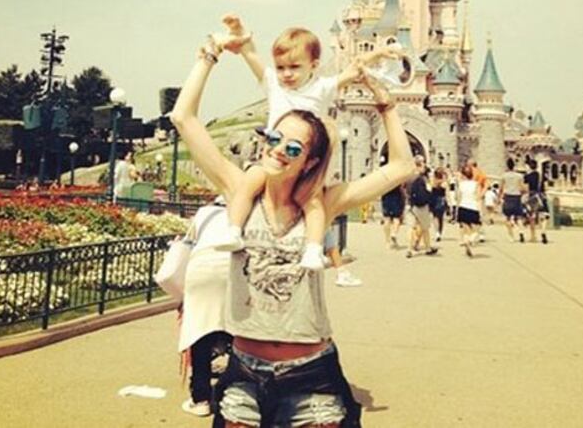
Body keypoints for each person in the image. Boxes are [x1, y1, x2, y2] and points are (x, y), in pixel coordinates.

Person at [170, 34, 417, 427]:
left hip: (311, 377)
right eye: (273, 138)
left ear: (310, 161)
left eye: (292, 147)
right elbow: (183, 118)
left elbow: (403, 167)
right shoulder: (241, 192)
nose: (276, 149)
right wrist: (211, 52)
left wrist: (386, 105)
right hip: (244, 376)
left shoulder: (324, 203)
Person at [215, 16, 399, 271]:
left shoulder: (322, 87)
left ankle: (313, 249)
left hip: (305, 161)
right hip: (275, 158)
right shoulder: (274, 87)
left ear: (313, 66)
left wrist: (377, 52)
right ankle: (234, 230)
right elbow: (251, 56)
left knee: (313, 203)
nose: (286, 74)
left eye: (294, 67)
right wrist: (240, 33)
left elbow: (353, 69)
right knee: (250, 182)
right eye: (280, 68)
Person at [179, 198, 233, 417]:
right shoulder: (251, 211)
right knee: (238, 331)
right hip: (234, 269)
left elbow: (187, 243)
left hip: (202, 270)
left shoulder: (204, 213)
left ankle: (200, 398)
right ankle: (236, 391)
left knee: (199, 331)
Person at [405, 159, 437, 258]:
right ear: (418, 166)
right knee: (425, 228)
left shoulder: (409, 177)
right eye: (423, 166)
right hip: (421, 206)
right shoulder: (421, 179)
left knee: (411, 228)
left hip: (410, 204)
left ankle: (409, 249)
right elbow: (428, 191)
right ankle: (427, 248)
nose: (424, 168)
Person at [457, 163, 482, 257]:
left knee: (466, 229)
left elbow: (459, 197)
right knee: (476, 230)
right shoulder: (476, 184)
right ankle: (470, 240)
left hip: (463, 207)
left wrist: (457, 209)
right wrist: (480, 211)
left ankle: (466, 242)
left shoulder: (461, 185)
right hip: (473, 208)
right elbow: (478, 197)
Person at [499, 158, 526, 244]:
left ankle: (511, 237)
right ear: (514, 165)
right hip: (517, 197)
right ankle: (521, 232)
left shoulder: (504, 176)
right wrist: (521, 193)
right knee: (519, 217)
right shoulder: (519, 176)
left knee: (507, 218)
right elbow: (522, 188)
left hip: (508, 197)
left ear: (507, 165)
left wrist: (499, 197)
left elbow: (501, 188)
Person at [523, 159, 549, 244]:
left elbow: (526, 188)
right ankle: (543, 231)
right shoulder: (542, 176)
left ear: (530, 166)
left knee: (532, 217)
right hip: (541, 196)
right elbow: (546, 187)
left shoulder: (527, 176)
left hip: (532, 197)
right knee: (544, 216)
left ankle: (533, 236)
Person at [380, 180, 406, 249]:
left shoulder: (385, 175)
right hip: (396, 196)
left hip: (386, 196)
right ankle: (394, 233)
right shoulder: (398, 174)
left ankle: (387, 242)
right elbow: (402, 185)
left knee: (386, 218)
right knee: (396, 218)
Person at [430, 168, 448, 242]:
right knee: (441, 217)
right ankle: (439, 232)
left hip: (434, 199)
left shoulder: (433, 181)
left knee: (435, 216)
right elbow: (446, 189)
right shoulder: (444, 182)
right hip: (441, 199)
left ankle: (437, 232)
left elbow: (430, 188)